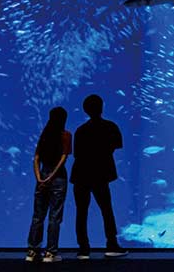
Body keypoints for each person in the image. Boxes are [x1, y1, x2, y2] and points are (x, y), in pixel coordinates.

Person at [70, 94, 126, 260]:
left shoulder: (80, 130)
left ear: (85, 110)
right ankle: (112, 244)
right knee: (106, 210)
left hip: (81, 174)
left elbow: (77, 154)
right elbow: (116, 146)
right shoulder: (111, 127)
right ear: (102, 107)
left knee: (81, 212)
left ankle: (83, 249)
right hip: (100, 174)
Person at [27, 107, 73, 263]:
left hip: (42, 175)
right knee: (55, 216)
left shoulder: (44, 135)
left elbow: (36, 158)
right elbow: (64, 158)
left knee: (37, 215)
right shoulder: (66, 135)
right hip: (58, 177)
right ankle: (50, 253)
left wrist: (39, 178)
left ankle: (32, 251)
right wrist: (51, 176)